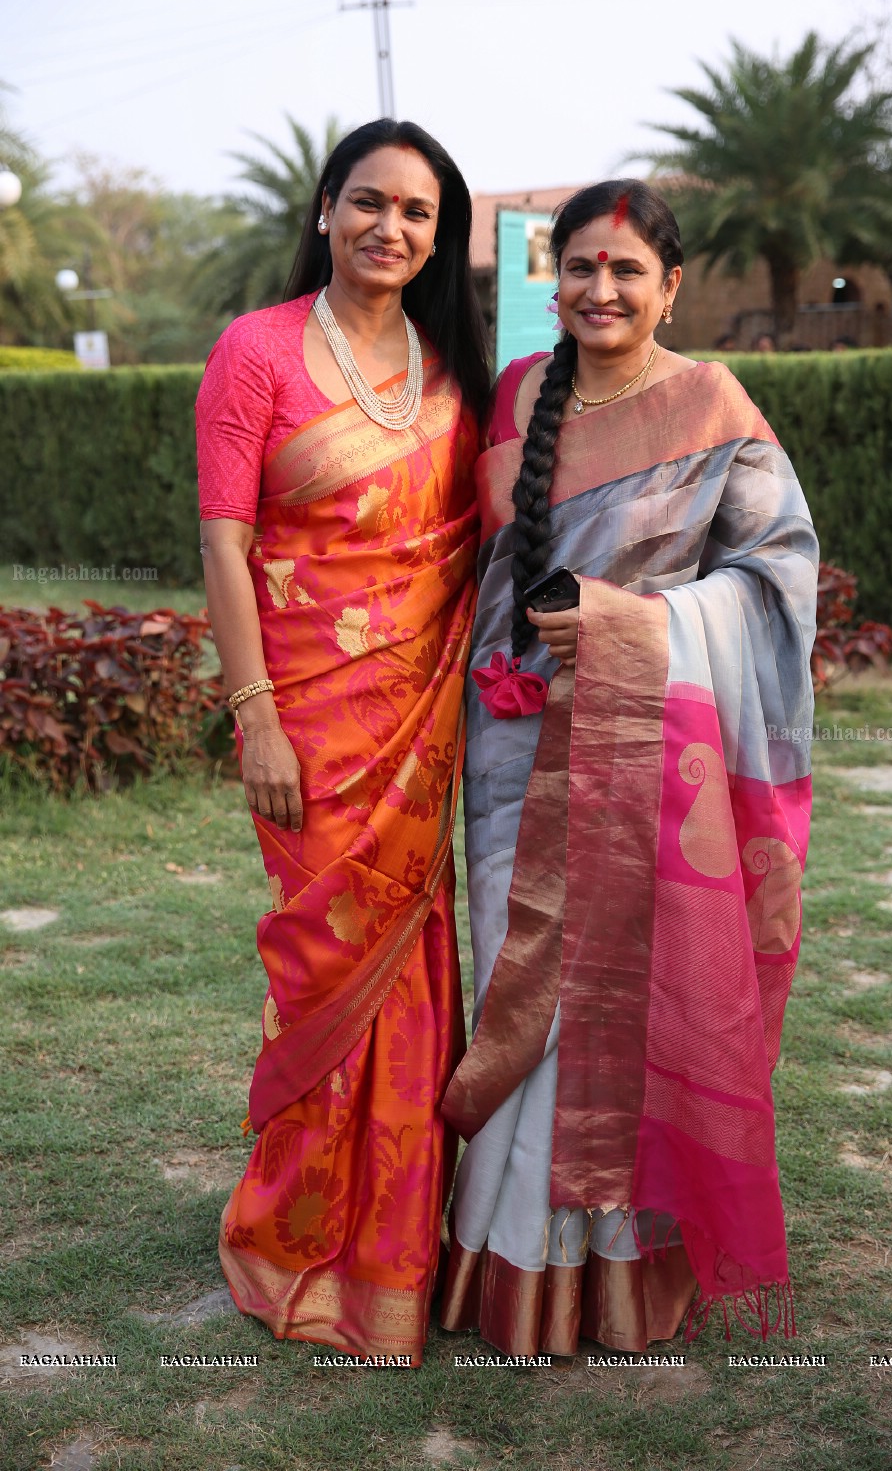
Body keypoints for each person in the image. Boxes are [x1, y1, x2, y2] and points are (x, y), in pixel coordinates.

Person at [439, 180, 818, 1357]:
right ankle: (502, 1256)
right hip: (508, 747)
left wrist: (633, 624)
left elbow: (777, 577)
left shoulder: (710, 402)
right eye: (581, 268)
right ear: (552, 280)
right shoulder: (514, 395)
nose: (601, 290)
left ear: (671, 286)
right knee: (522, 981)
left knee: (614, 995)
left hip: (649, 741)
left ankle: (610, 1267)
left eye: (627, 272)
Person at [195, 119, 490, 1363]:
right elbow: (222, 541)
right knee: (323, 977)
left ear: (440, 236)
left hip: (421, 728)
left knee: (416, 972)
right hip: (308, 723)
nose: (392, 228)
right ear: (325, 210)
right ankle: (295, 1239)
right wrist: (253, 712)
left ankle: (395, 1250)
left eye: (417, 213)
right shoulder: (256, 350)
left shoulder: (451, 368)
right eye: (369, 202)